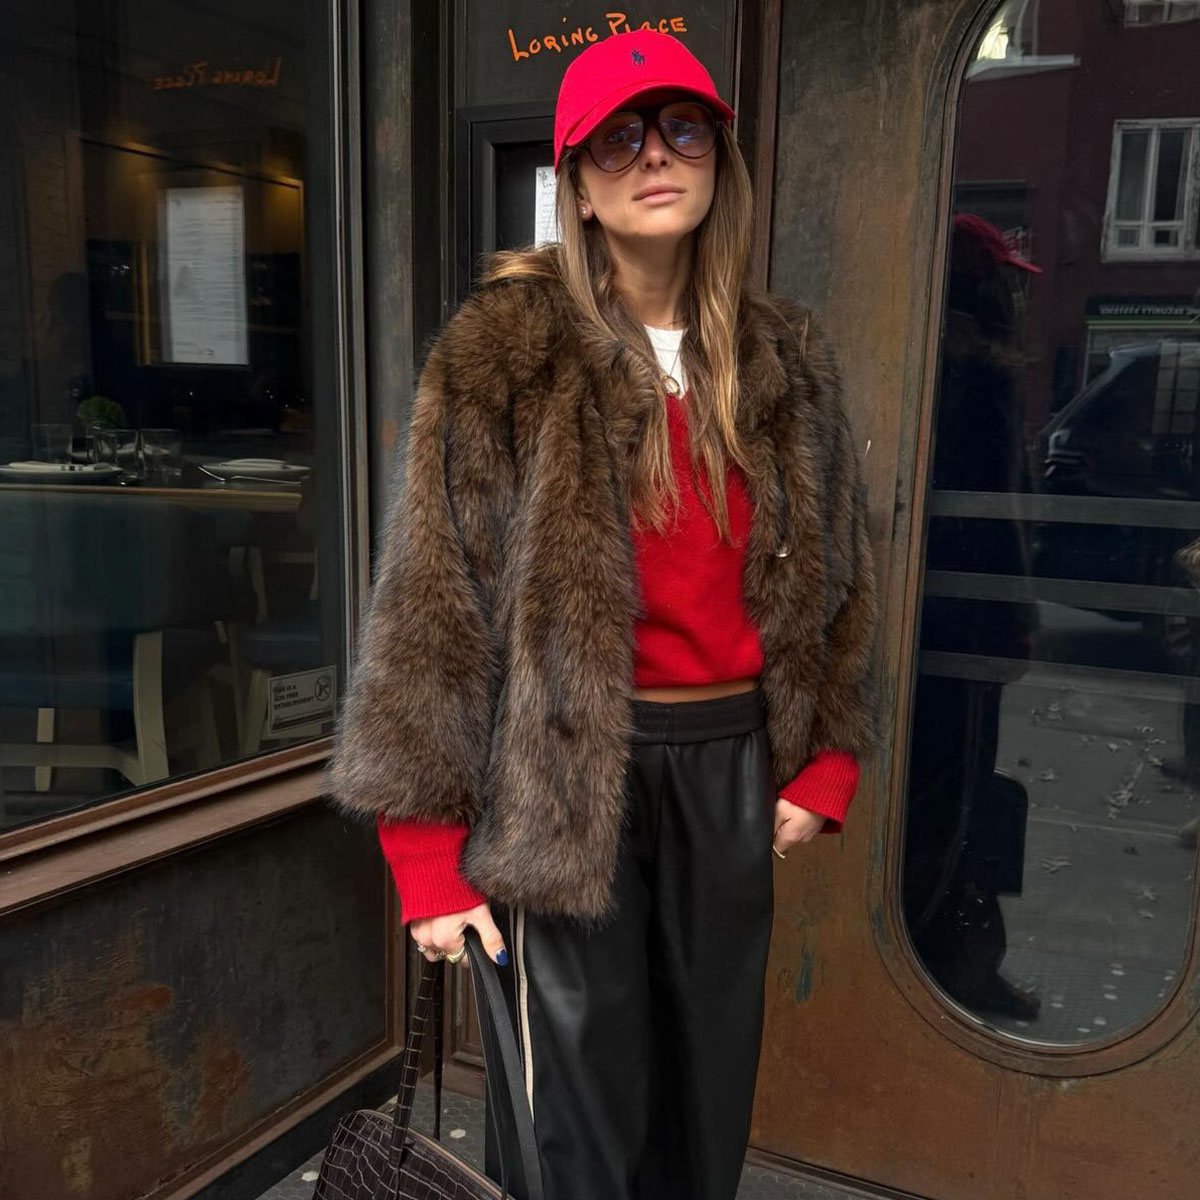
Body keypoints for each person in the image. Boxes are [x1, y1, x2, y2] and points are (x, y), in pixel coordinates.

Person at [324, 29, 879, 1200]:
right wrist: (426, 858)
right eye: (618, 139)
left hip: (728, 767)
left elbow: (841, 574)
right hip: (565, 776)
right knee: (575, 1121)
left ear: (720, 158)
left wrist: (823, 759)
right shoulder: (504, 355)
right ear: (576, 184)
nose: (654, 157)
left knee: (703, 1100)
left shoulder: (787, 357)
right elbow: (431, 605)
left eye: (681, 129)